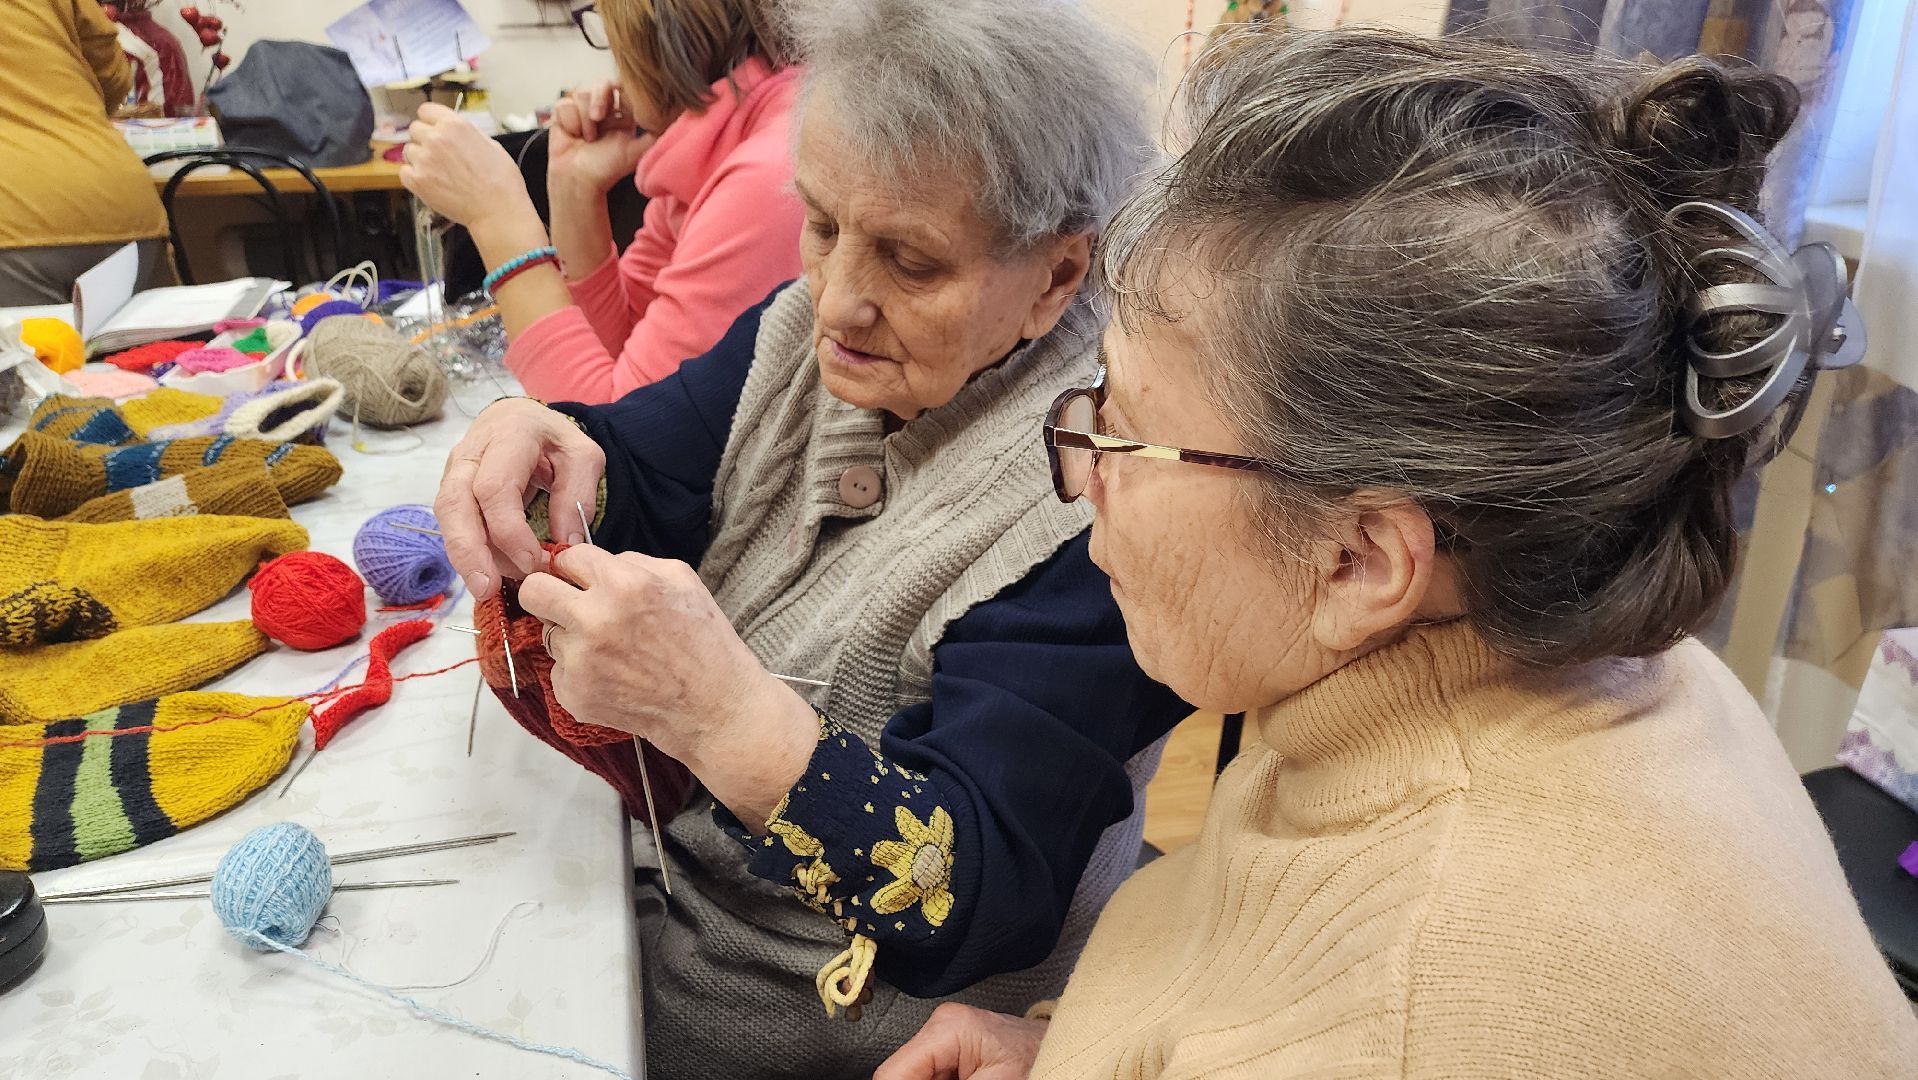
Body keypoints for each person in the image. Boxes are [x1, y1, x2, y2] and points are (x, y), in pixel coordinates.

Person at [879, 27, 1918, 1080]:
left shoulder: (1415, 1014)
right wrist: (1068, 1050)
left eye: (1125, 430)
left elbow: (1388, 1019)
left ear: (1361, 561)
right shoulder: (1576, 658)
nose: (1083, 469)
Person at [431, 1, 1186, 1076]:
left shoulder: (1100, 498)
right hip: (682, 900)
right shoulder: (799, 333)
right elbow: (644, 466)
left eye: (910, 264)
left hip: (870, 1029)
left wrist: (724, 718)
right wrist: (550, 447)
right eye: (822, 224)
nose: (837, 298)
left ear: (1060, 275)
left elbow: (977, 887)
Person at [400, 0, 803, 403]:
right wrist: (574, 188)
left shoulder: (766, 179)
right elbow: (619, 346)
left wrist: (497, 217)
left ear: (654, 34)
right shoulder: (721, 147)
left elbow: (621, 430)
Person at [0, 0, 171, 306]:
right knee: (135, 355)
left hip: (14, 222)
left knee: (31, 354)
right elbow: (114, 76)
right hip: (119, 203)